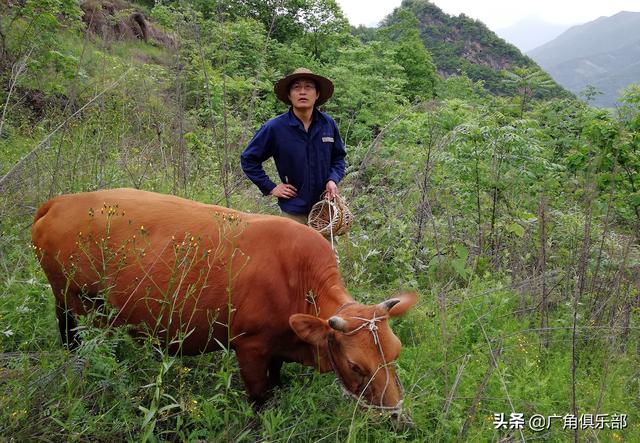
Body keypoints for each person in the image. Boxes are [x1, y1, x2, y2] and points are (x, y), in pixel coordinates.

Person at [241, 68, 346, 224]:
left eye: (308, 87)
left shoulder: (327, 124)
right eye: (296, 87)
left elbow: (339, 158)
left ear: (317, 94)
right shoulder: (275, 127)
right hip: (293, 211)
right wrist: (271, 187)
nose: (302, 92)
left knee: (327, 249)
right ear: (289, 95)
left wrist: (333, 179)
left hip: (325, 209)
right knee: (294, 249)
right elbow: (249, 159)